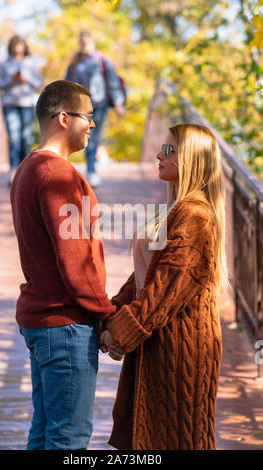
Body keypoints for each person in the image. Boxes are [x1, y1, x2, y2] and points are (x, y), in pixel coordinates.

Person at [100, 123, 229, 450]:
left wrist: (119, 332)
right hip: (157, 338)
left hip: (180, 346)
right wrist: (110, 312)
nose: (159, 154)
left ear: (191, 159)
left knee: (177, 437)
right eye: (162, 147)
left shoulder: (196, 216)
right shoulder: (176, 209)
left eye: (169, 150)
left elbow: (165, 292)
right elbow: (146, 275)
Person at [10, 80, 118, 450]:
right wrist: (104, 312)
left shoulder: (28, 168)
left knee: (45, 434)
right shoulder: (58, 175)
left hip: (44, 323)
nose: (92, 124)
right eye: (87, 116)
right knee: (68, 441)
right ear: (62, 118)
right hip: (66, 325)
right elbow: (75, 259)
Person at [65, 29, 125, 188]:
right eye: (81, 43)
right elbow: (67, 83)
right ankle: (83, 169)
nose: (84, 45)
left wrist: (118, 103)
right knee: (80, 135)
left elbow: (113, 82)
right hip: (80, 104)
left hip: (99, 104)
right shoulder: (75, 62)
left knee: (92, 136)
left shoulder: (101, 60)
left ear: (93, 42)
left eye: (87, 42)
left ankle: (91, 170)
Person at [0, 35, 42, 184]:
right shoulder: (4, 63)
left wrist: (27, 80)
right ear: (11, 47)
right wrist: (11, 80)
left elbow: (39, 84)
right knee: (14, 137)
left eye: (20, 45)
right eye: (15, 45)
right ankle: (13, 170)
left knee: (25, 137)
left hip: (27, 103)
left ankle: (24, 170)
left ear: (24, 46)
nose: (17, 48)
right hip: (9, 104)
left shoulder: (31, 63)